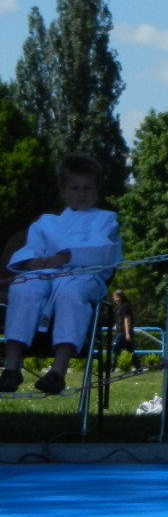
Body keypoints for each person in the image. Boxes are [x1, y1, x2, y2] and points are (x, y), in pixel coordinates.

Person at [1, 154, 121, 395]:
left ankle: (58, 370)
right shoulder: (46, 223)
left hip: (82, 276)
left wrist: (67, 257)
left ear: (96, 191)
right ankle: (11, 367)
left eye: (87, 188)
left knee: (72, 294)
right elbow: (32, 247)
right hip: (45, 275)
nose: (82, 194)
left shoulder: (105, 219)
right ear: (64, 192)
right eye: (75, 188)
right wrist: (32, 261)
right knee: (24, 288)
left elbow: (104, 250)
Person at [110, 290, 137, 368]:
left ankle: (112, 366)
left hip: (123, 332)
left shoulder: (125, 307)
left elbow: (127, 319)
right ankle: (138, 367)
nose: (116, 299)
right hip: (120, 330)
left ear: (121, 297)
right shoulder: (119, 308)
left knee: (115, 346)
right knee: (130, 350)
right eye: (115, 297)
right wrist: (116, 324)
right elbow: (120, 319)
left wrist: (127, 333)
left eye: (117, 297)